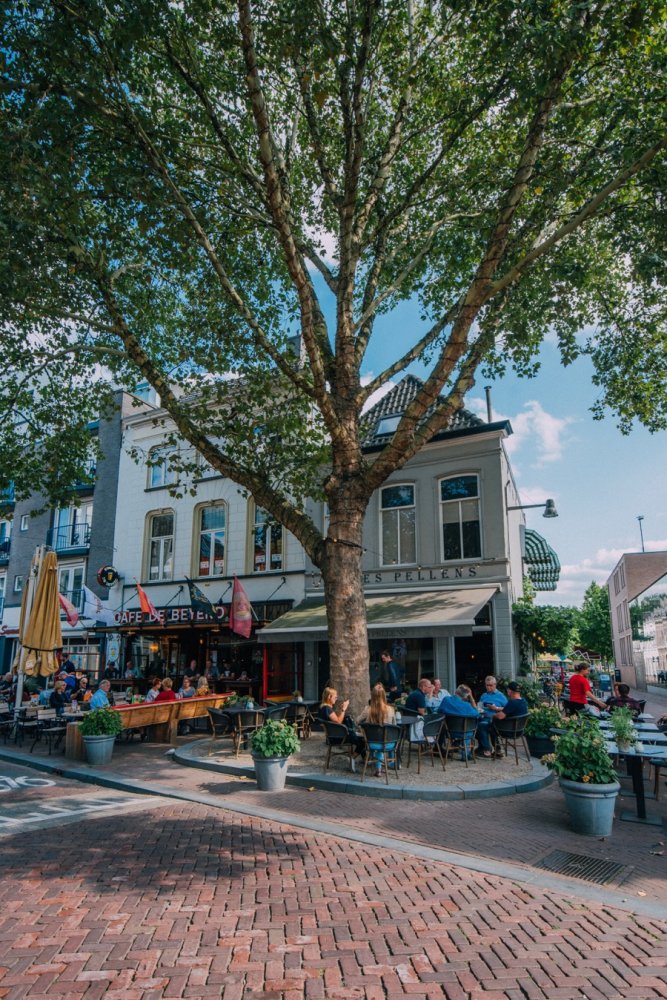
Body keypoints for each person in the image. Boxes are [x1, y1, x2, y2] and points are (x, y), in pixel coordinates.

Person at [356, 684, 397, 778]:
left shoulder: (368, 709)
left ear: (372, 696)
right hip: (388, 744)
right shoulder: (391, 709)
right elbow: (394, 726)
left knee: (378, 740)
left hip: (372, 743)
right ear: (384, 695)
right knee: (383, 739)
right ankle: (388, 764)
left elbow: (357, 721)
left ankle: (378, 769)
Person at [438, 684, 480, 761]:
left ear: (455, 692)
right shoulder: (467, 706)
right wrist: (471, 698)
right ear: (466, 696)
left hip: (449, 732)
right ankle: (465, 754)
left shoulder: (446, 700)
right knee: (468, 727)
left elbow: (439, 711)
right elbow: (477, 713)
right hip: (464, 733)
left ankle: (452, 747)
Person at [476, 676, 508, 757]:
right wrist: (479, 709)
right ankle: (482, 747)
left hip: (494, 719)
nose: (488, 687)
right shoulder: (483, 695)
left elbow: (507, 709)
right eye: (487, 685)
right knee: (472, 725)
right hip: (482, 716)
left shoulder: (501, 696)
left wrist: (496, 708)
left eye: (491, 685)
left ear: (495, 685)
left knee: (481, 725)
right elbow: (479, 707)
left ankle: (487, 749)